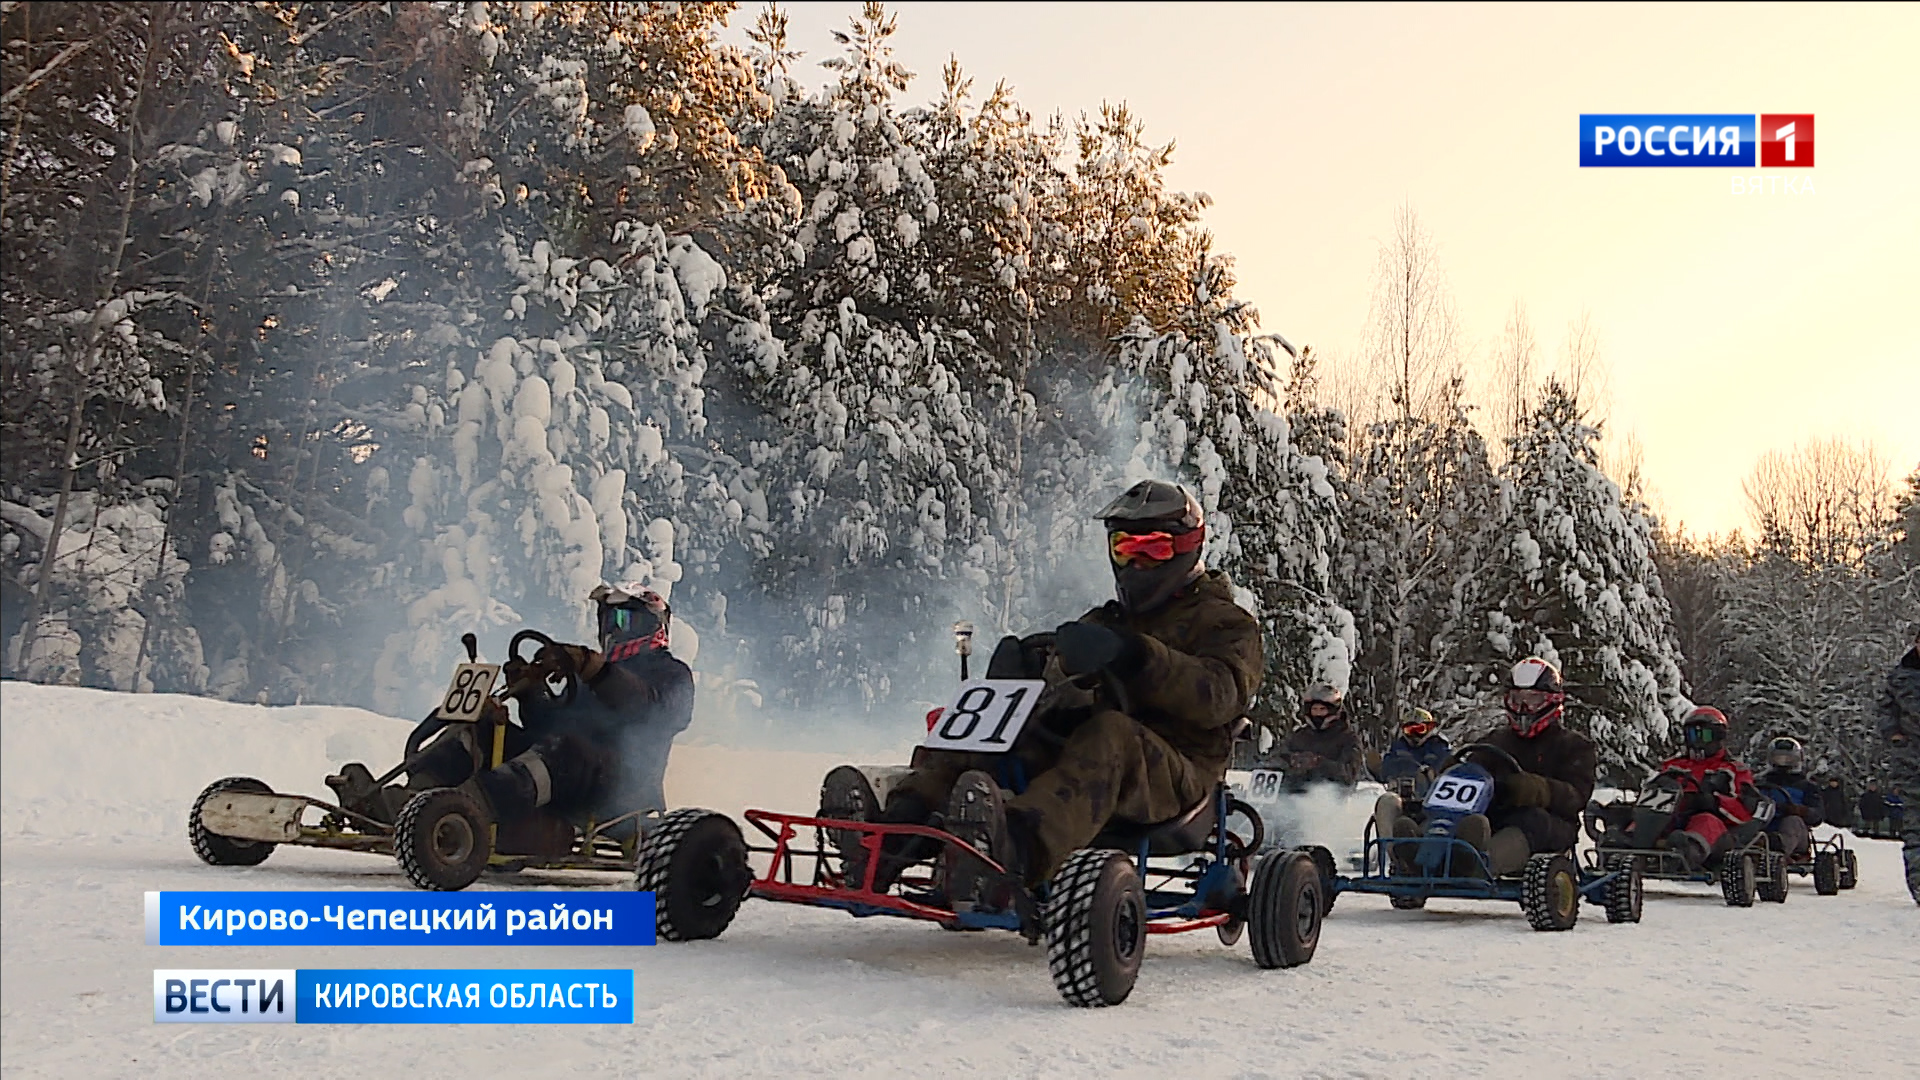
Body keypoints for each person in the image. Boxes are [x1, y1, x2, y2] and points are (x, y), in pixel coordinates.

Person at [831, 480, 1263, 901]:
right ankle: (892, 838)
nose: (1137, 565)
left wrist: (1136, 657)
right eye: (1126, 549)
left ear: (1186, 549)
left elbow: (1219, 695)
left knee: (1112, 734)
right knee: (993, 727)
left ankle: (1012, 854)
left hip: (1178, 775)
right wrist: (1024, 675)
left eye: (1152, 550)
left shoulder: (1227, 624)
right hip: (1090, 760)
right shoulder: (1105, 620)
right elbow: (1061, 680)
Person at [396, 583, 695, 830]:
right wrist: (531, 691)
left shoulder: (673, 675)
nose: (615, 630)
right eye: (609, 620)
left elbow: (645, 706)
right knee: (480, 729)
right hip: (570, 774)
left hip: (621, 787)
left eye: (625, 621)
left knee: (566, 748)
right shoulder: (591, 680)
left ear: (654, 627)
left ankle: (462, 811)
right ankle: (416, 795)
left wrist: (592, 668)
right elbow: (552, 725)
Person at [1450, 657, 1598, 877]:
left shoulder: (1574, 746)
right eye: (1517, 699)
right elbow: (1474, 769)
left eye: (1533, 700)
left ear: (1551, 700)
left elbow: (1577, 796)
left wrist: (1539, 789)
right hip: (1495, 816)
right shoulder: (1495, 741)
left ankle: (1478, 865)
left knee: (1532, 820)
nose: (1524, 708)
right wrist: (1449, 771)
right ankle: (1419, 854)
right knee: (1456, 813)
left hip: (1549, 825)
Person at [1651, 707, 1762, 872]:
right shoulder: (1674, 766)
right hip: (1672, 818)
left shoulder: (1733, 770)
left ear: (1717, 737)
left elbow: (1745, 812)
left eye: (1704, 735)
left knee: (1706, 820)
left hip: (1721, 832)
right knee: (1649, 816)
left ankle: (1686, 850)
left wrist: (1714, 802)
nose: (1697, 742)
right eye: (1692, 735)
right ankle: (1624, 844)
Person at [1875, 623, 1920, 903]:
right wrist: (1894, 736)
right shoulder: (1900, 677)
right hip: (1912, 762)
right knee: (1916, 827)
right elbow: (1884, 710)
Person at [1281, 684, 1366, 789]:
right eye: (1314, 709)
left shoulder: (1348, 739)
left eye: (1322, 709)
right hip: (1290, 796)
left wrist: (1319, 763)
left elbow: (1349, 774)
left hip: (1332, 799)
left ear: (1333, 711)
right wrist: (1291, 760)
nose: (1318, 714)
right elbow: (1279, 756)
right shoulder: (1299, 736)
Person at [1755, 736, 1824, 864]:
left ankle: (1778, 847)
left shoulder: (1806, 786)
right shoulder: (1760, 783)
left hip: (1796, 834)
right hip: (1764, 826)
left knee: (1792, 821)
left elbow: (1817, 816)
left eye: (1787, 759)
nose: (1783, 762)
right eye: (1779, 758)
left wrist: (1801, 811)